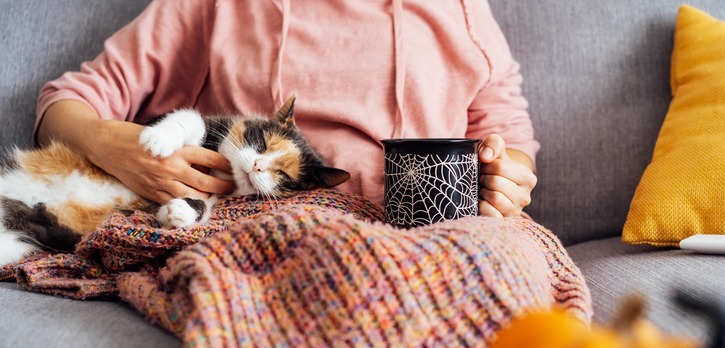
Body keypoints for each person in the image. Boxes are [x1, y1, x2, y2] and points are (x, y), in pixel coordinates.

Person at [35, 0, 539, 218]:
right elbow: (64, 104)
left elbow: (509, 136)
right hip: (264, 227)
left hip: (438, 230)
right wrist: (116, 148)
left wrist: (506, 177)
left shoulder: (462, 11)